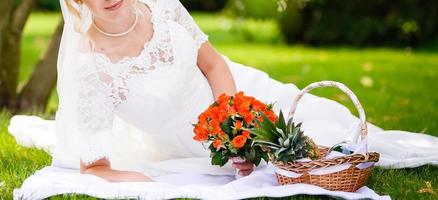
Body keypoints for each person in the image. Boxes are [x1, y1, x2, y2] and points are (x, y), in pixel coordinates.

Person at [8, 0, 438, 186]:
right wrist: (152, 181)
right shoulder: (91, 68)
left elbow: (213, 63)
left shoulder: (161, 5)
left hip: (237, 93)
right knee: (299, 158)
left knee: (335, 124)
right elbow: (96, 168)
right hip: (190, 143)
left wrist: (235, 121)